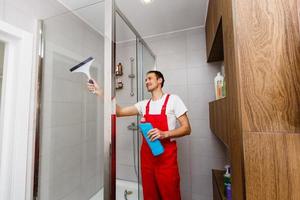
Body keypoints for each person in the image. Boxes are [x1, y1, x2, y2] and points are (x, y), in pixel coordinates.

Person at [87, 70, 191, 200]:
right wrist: (100, 92)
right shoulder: (144, 105)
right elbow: (119, 111)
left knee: (170, 195)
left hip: (166, 161)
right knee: (150, 195)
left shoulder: (173, 100)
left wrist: (164, 133)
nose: (146, 81)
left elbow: (187, 128)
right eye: (145, 79)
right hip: (147, 160)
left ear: (160, 80)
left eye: (149, 78)